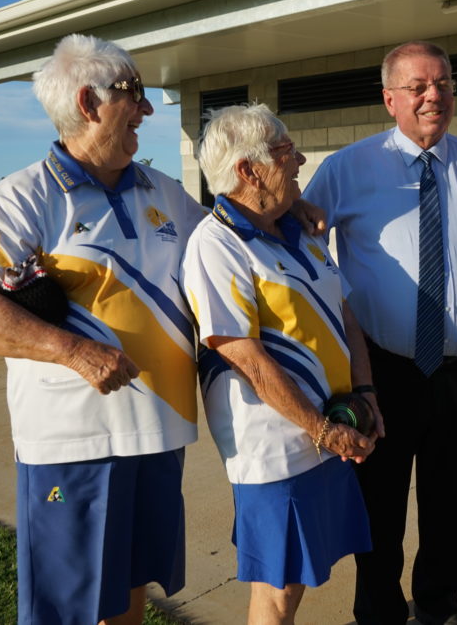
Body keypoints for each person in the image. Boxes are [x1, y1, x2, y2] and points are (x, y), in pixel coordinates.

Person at [0, 34, 209, 625]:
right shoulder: (25, 196)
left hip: (159, 434)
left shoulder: (162, 190)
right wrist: (73, 351)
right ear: (89, 103)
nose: (146, 108)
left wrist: (283, 206)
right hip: (74, 446)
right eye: (134, 93)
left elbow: (224, 249)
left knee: (131, 589)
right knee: (67, 607)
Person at [302, 41, 457, 625]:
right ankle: (378, 612)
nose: (433, 96)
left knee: (453, 501)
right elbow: (301, 254)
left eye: (443, 84)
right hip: (382, 370)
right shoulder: (347, 169)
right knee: (380, 502)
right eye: (418, 86)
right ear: (389, 99)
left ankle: (439, 603)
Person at [180, 103, 382, 624]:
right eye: (287, 151)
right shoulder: (216, 242)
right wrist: (322, 430)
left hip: (325, 432)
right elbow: (241, 354)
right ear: (248, 170)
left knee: (297, 582)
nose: (301, 160)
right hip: (275, 447)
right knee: (278, 586)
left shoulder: (300, 231)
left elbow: (346, 317)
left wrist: (367, 393)